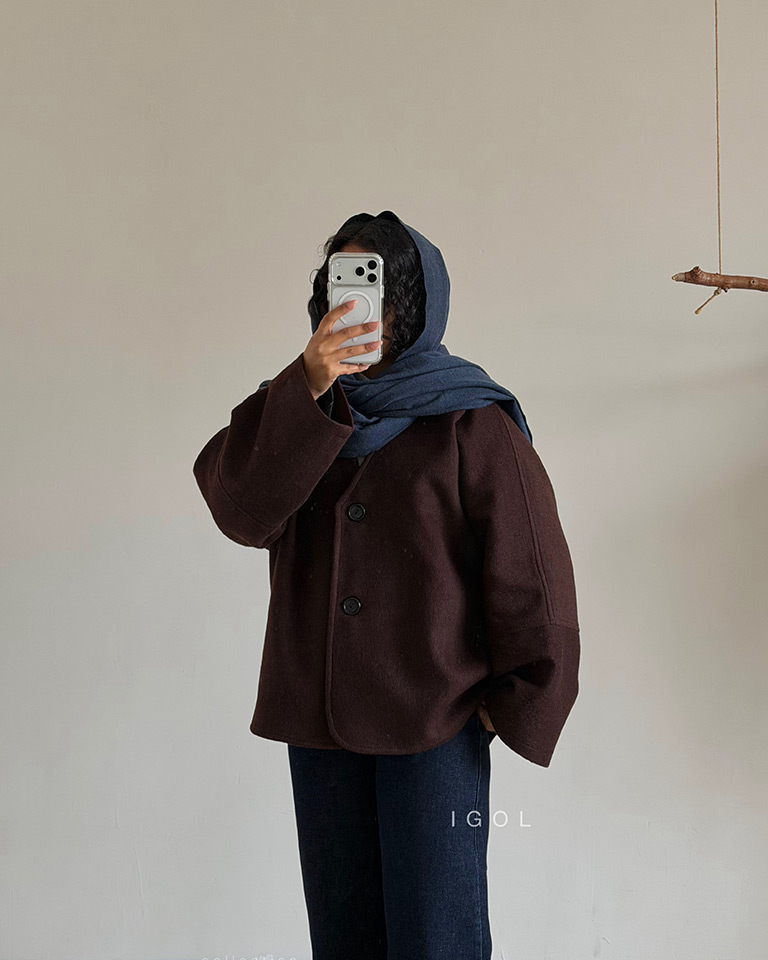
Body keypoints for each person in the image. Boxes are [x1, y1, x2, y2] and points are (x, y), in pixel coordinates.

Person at [193, 210, 580, 959]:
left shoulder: (472, 420)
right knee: (344, 940)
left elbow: (532, 570)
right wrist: (307, 384)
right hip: (320, 720)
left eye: (379, 288)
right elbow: (240, 511)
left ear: (416, 303)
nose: (360, 305)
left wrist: (512, 704)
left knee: (438, 939)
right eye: (342, 284)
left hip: (437, 724)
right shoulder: (297, 411)